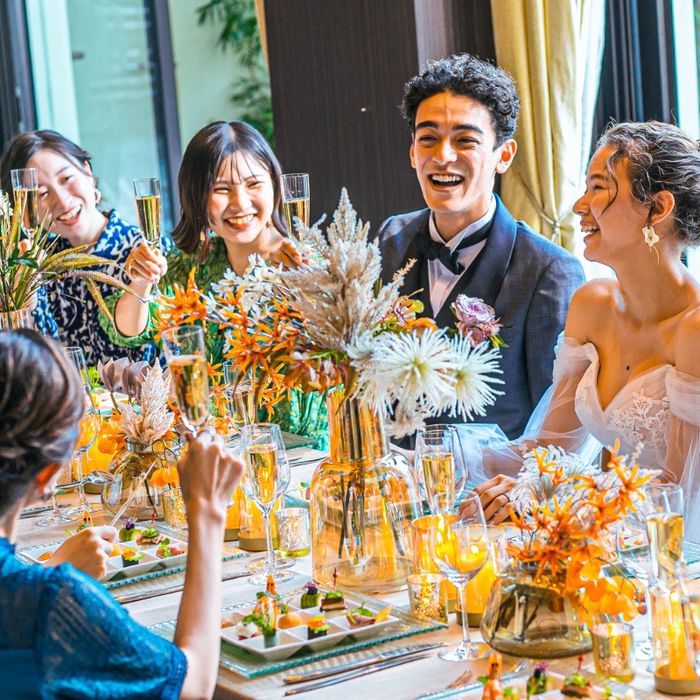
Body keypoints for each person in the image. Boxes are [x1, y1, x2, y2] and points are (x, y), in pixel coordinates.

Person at [467, 121, 700, 540]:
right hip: (615, 540)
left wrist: (555, 495)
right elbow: (551, 449)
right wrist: (442, 457)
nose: (579, 205)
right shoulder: (592, 305)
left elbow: (678, 495)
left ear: (658, 208)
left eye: (598, 188)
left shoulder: (694, 330)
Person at [0, 329, 244, 698]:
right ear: (48, 476)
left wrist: (49, 568)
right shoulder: (55, 602)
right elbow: (191, 686)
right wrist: (207, 510)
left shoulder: (36, 591)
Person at [375, 54, 585, 439]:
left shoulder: (548, 271)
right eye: (428, 139)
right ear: (412, 152)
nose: (443, 156)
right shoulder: (391, 239)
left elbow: (556, 428)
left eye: (465, 140)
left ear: (503, 155)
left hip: (491, 477)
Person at [102, 120, 328, 448]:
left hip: (304, 452)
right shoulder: (192, 267)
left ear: (275, 186)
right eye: (222, 189)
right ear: (197, 197)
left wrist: (309, 289)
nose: (240, 203)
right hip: (220, 451)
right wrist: (140, 281)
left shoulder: (308, 264)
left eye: (254, 184)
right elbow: (126, 329)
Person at [0, 130, 157, 365]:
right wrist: (23, 299)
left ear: (87, 172)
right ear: (23, 208)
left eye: (66, 178)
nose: (63, 201)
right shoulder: (38, 269)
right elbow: (38, 362)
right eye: (42, 193)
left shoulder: (145, 253)